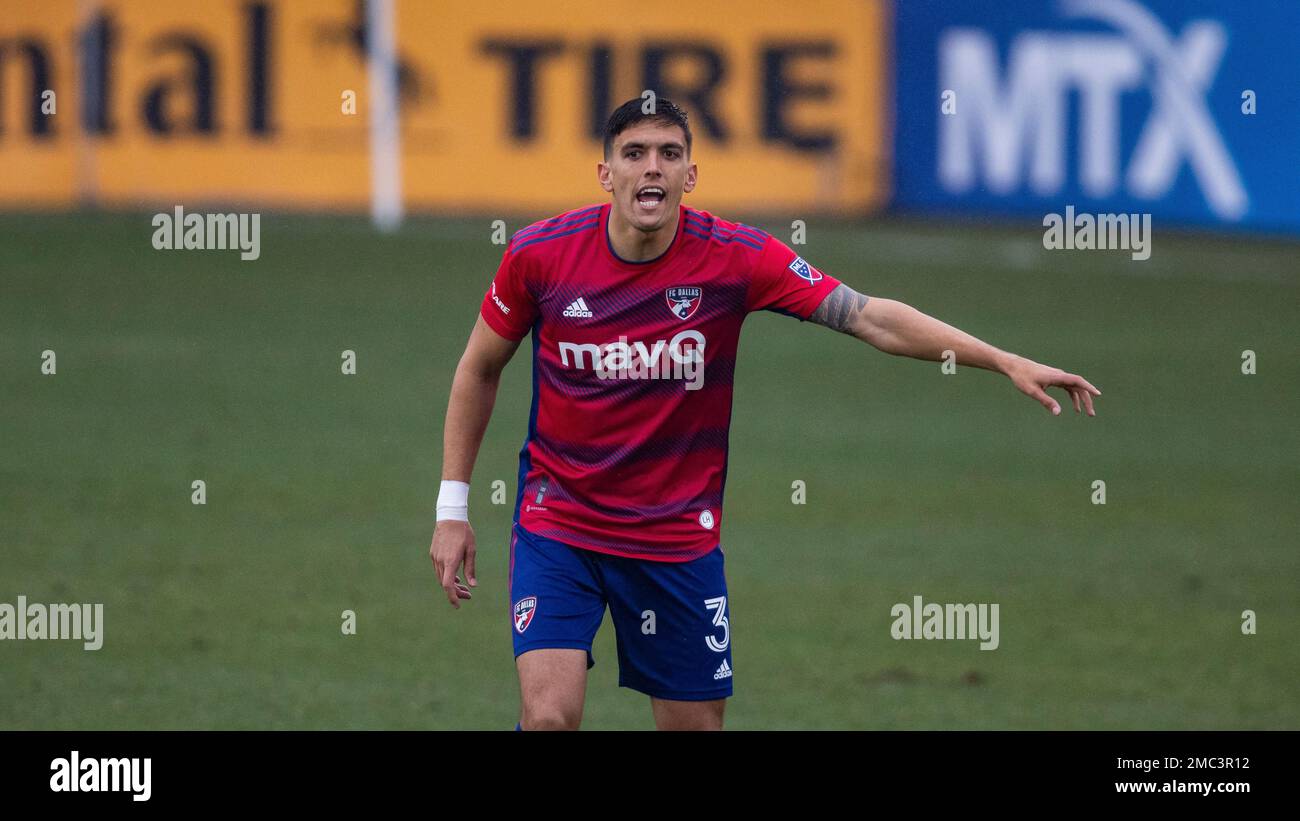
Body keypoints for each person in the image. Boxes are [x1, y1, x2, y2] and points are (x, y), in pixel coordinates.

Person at [429, 97, 1100, 731]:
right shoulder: (540, 256)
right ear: (605, 173)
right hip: (561, 524)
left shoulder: (735, 258)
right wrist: (452, 507)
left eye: (669, 152)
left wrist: (1003, 358)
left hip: (675, 539)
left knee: (693, 724)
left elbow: (868, 317)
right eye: (634, 153)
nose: (652, 167)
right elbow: (478, 367)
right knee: (549, 716)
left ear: (692, 173)